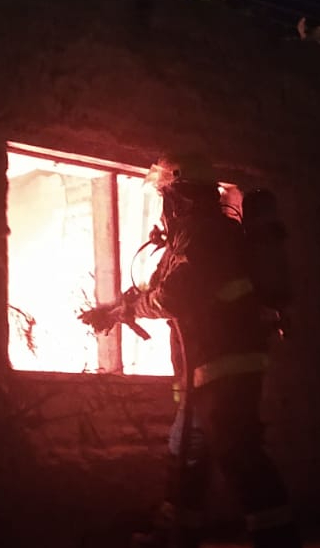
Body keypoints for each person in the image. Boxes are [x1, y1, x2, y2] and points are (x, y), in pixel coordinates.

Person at [79, 154, 300, 548]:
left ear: (180, 195)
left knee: (238, 453)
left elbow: (173, 296)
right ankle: (176, 536)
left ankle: (278, 539)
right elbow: (154, 288)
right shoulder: (190, 237)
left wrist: (132, 309)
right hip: (203, 369)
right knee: (187, 453)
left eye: (165, 195)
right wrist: (113, 310)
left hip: (226, 365)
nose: (163, 206)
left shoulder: (208, 235)